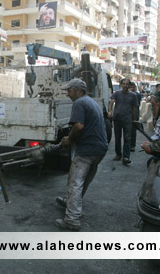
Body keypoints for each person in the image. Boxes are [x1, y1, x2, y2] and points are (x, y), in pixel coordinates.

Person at [54, 78, 108, 231]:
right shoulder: (91, 102)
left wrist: (69, 139)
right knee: (83, 181)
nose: (67, 94)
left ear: (78, 91)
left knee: (75, 183)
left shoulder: (79, 103)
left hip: (88, 149)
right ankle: (70, 203)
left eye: (69, 90)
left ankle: (72, 219)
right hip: (100, 148)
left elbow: (78, 126)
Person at [108, 78, 137, 165]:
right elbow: (112, 102)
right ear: (121, 85)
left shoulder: (133, 95)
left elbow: (135, 108)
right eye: (123, 84)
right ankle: (118, 154)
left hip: (128, 119)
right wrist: (110, 111)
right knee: (117, 137)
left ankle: (126, 157)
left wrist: (135, 120)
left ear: (129, 85)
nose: (125, 85)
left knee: (127, 138)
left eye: (127, 84)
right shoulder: (117, 94)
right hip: (117, 119)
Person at [129, 82, 142, 152]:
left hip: (135, 113)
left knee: (133, 130)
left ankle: (132, 145)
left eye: (134, 87)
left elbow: (137, 105)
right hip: (127, 114)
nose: (132, 88)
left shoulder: (137, 95)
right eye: (131, 87)